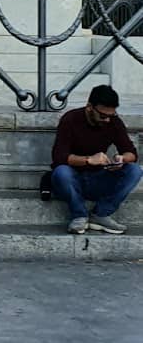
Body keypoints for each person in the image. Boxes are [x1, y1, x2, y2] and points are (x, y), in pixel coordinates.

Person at [50, 84, 142, 234]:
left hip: (98, 179)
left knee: (134, 170)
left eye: (111, 115)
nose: (107, 120)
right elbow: (58, 157)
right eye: (103, 116)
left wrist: (121, 159)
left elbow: (132, 153)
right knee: (61, 172)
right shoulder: (71, 119)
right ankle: (79, 215)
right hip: (72, 181)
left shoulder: (114, 122)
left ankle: (101, 214)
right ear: (89, 107)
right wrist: (88, 160)